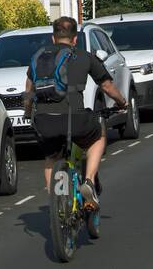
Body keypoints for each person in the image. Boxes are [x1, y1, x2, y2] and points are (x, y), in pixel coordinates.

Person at [23, 15, 128, 209]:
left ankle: (56, 202)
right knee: (99, 134)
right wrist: (122, 102)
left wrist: (28, 113)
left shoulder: (39, 57)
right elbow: (106, 86)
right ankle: (88, 180)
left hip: (44, 121)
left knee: (51, 157)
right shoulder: (85, 56)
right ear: (75, 39)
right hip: (76, 119)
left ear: (53, 38)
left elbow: (28, 89)